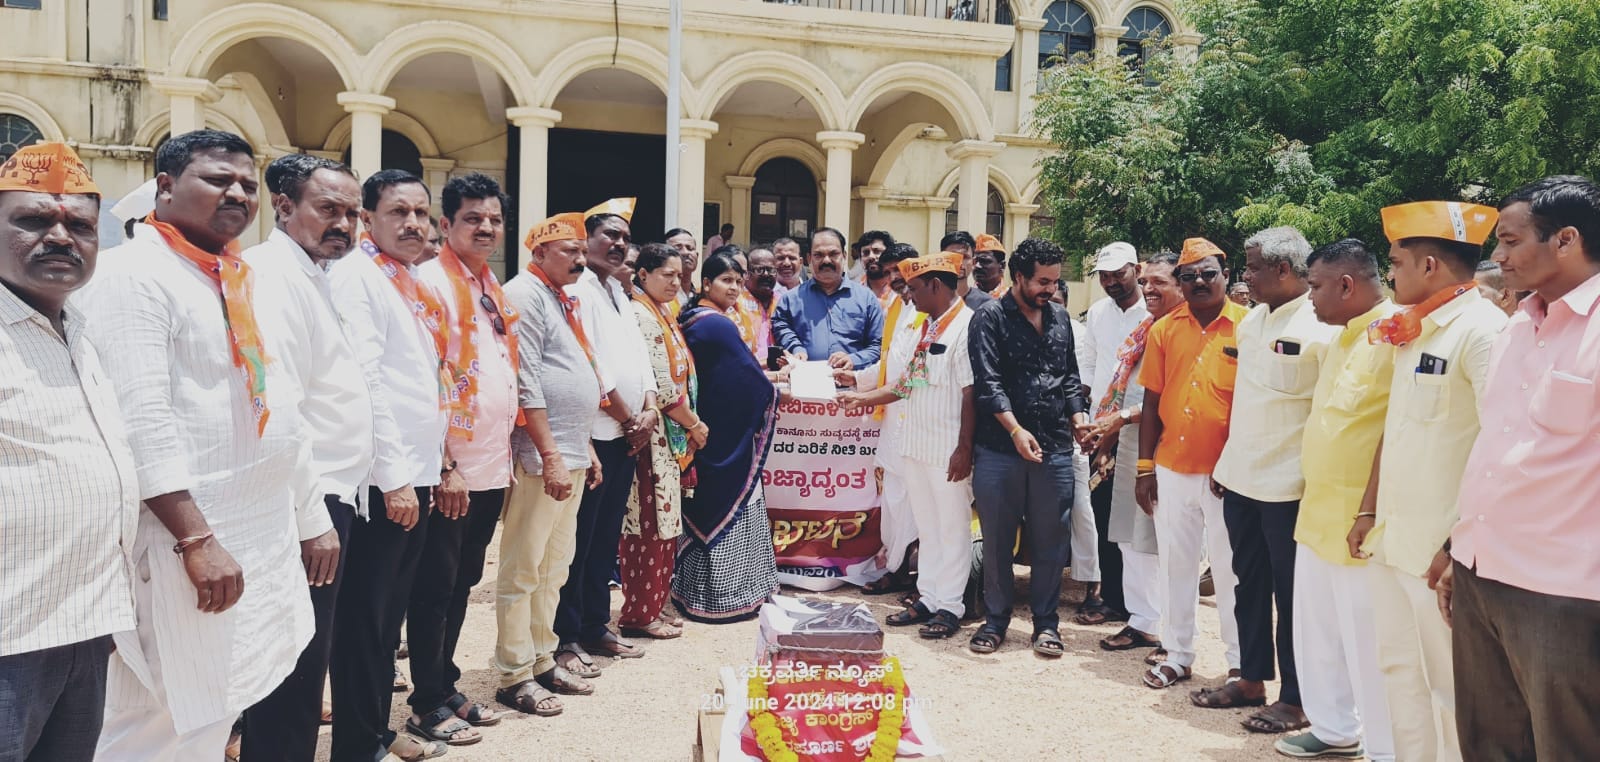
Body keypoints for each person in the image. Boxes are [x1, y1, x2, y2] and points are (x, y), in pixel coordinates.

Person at [86, 129, 317, 759]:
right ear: (164, 187)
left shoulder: (229, 276)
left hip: (253, 532)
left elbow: (279, 403)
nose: (237, 193)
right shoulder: (133, 277)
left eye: (246, 183)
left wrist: (305, 518)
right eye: (217, 179)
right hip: (184, 543)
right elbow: (140, 419)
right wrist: (196, 539)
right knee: (163, 715)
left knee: (217, 703)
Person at [1443, 176, 1600, 760]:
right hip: (1481, 573)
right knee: (1489, 743)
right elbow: (1495, 448)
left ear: (1566, 239)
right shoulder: (1515, 327)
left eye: (1510, 241)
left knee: (1569, 747)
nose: (1498, 257)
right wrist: (1459, 548)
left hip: (1564, 592)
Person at [1349, 200, 1505, 762]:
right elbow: (1397, 432)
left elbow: (1501, 448)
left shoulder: (1484, 332)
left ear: (1430, 266)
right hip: (1394, 541)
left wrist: (1456, 546)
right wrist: (1368, 512)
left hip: (1440, 556)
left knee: (1451, 689)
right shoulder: (1415, 329)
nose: (1391, 275)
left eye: (1396, 262)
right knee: (1399, 673)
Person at [0, 143, 137, 762]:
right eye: (33, 220)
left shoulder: (78, 329)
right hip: (10, 635)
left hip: (84, 623)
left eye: (79, 226)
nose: (60, 237)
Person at [239, 154, 373, 762]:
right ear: (284, 205)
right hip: (309, 503)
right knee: (293, 670)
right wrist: (312, 518)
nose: (343, 223)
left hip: (334, 494)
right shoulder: (273, 275)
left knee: (308, 660)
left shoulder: (313, 272)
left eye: (352, 213)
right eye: (328, 209)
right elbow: (281, 406)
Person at [326, 169, 450, 762]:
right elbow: (368, 380)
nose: (413, 223)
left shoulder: (406, 278)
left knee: (388, 617)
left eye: (421, 213)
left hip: (416, 473)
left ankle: (376, 728)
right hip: (383, 481)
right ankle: (356, 743)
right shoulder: (358, 276)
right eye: (399, 212)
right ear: (367, 218)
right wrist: (394, 478)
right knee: (365, 619)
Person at [1202, 227, 1332, 734]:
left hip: (1290, 485)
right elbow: (1248, 401)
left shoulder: (1322, 325)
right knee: (1247, 582)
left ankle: (1297, 698)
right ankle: (1251, 678)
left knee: (1293, 594)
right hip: (1242, 477)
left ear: (1283, 269)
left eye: (1253, 267)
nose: (1246, 276)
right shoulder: (1252, 321)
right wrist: (1227, 461)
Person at [1271, 238, 1396, 761]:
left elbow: (1392, 435)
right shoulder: (1341, 335)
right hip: (1318, 513)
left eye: (1316, 286)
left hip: (1361, 523)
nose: (1310, 297)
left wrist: (1369, 510)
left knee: (1368, 645)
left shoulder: (1396, 335)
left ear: (1347, 285)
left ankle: (1384, 749)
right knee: (1317, 633)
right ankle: (1333, 728)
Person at [408, 172, 521, 744]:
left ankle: (445, 683)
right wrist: (445, 465)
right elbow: (426, 379)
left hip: (489, 466)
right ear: (445, 224)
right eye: (473, 218)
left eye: (494, 219)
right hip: (450, 471)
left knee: (461, 583)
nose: (486, 228)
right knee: (435, 587)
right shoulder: (431, 282)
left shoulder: (487, 285)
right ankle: (427, 701)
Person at [494, 212, 607, 717]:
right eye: (570, 251)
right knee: (524, 567)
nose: (581, 259)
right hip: (543, 458)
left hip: (570, 452)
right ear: (538, 253)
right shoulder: (525, 294)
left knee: (554, 567)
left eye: (582, 250)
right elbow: (528, 381)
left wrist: (585, 447)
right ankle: (514, 672)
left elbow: (572, 377)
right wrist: (553, 454)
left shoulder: (560, 297)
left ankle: (542, 658)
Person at [838, 252, 977, 640]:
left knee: (952, 528)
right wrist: (863, 398)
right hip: (915, 444)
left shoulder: (967, 326)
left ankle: (951, 605)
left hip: (948, 449)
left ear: (935, 285)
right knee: (929, 528)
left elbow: (972, 394)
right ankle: (929, 597)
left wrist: (965, 449)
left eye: (914, 289)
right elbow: (907, 383)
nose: (909, 296)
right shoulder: (926, 327)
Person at [967, 238, 1091, 658]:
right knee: (997, 539)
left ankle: (1046, 624)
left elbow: (1068, 377)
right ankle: (995, 621)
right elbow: (988, 383)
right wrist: (1016, 431)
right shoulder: (989, 318)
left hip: (1054, 447)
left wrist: (1078, 418)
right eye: (1042, 282)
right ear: (1018, 276)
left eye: (1055, 282)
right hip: (1000, 448)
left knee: (1051, 540)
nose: (1050, 290)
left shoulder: (1060, 317)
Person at [1134, 237, 1249, 691]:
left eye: (1208, 273)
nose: (1199, 281)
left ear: (1226, 275)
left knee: (1229, 570)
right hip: (1171, 468)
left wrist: (1234, 464)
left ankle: (1240, 664)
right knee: (1175, 566)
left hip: (1226, 474)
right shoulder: (1164, 330)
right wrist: (1145, 468)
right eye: (1189, 276)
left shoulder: (1249, 327)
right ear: (1180, 283)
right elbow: (1151, 402)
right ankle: (1177, 654)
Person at [554, 203, 658, 678]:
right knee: (577, 541)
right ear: (586, 240)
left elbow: (639, 359)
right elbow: (590, 364)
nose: (618, 244)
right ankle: (566, 636)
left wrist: (649, 409)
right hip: (595, 434)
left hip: (627, 434)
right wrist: (629, 416)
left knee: (604, 540)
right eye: (609, 235)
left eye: (625, 238)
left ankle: (596, 625)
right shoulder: (579, 291)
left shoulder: (619, 290)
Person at [1083, 252, 1182, 661]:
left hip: (1167, 444)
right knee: (1129, 535)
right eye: (1147, 282)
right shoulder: (1147, 327)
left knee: (1166, 540)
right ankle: (1143, 621)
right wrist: (1109, 430)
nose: (1149, 289)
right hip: (1129, 440)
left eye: (1160, 282)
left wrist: (1120, 419)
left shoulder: (1183, 329)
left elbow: (1172, 395)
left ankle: (1174, 633)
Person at [673, 252, 780, 622]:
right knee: (736, 507)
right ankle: (729, 598)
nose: (734, 288)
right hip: (725, 436)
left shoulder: (695, 317)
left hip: (708, 429)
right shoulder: (716, 324)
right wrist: (772, 391)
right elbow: (748, 382)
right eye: (726, 280)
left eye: (738, 280)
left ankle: (693, 593)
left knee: (704, 506)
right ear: (706, 283)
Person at [622, 243, 712, 639]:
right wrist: (695, 425)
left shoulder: (662, 311)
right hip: (653, 436)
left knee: (665, 524)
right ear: (643, 275)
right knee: (649, 525)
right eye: (667, 274)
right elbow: (662, 388)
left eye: (679, 275)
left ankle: (654, 605)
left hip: (666, 436)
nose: (676, 281)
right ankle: (639, 614)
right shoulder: (641, 315)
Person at [844, 243, 924, 596]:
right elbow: (890, 361)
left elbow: (912, 378)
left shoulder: (928, 313)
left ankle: (920, 577)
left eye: (901, 270)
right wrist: (856, 377)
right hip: (893, 424)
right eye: (890, 271)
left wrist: (863, 397)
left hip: (918, 422)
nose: (895, 278)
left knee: (916, 505)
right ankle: (895, 569)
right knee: (893, 501)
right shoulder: (897, 308)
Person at [1075, 241, 1145, 626]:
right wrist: (1084, 411)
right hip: (1100, 427)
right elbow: (1089, 364)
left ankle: (1139, 603)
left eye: (1119, 273)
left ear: (1137, 269)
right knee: (1101, 512)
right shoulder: (1099, 312)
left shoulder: (1153, 312)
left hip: (1138, 426)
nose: (1112, 282)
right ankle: (1110, 596)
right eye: (1105, 276)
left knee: (1136, 518)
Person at [771, 227, 884, 370]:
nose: (826, 260)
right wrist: (796, 347)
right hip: (805, 379)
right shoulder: (790, 300)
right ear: (809, 258)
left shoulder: (866, 298)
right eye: (818, 255)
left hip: (852, 380)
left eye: (833, 254)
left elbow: (878, 346)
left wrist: (853, 359)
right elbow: (781, 326)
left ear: (844, 255)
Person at [940, 230, 995, 310]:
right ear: (942, 260)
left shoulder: (986, 304)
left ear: (973, 262)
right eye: (953, 256)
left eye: (965, 257)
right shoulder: (928, 301)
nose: (959, 262)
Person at [740, 246, 779, 353]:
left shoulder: (783, 302)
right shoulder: (735, 303)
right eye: (759, 270)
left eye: (771, 270)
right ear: (747, 274)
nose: (766, 274)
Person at [855, 229, 896, 306]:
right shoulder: (854, 293)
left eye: (877, 251)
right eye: (866, 253)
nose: (871, 256)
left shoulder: (901, 291)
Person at [665, 227, 700, 307]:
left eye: (690, 248)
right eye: (678, 248)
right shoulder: (661, 296)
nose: (685, 252)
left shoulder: (700, 296)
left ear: (697, 256)